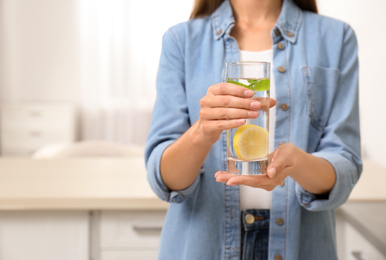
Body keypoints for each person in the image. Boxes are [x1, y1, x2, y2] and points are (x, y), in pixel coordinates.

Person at [145, 0, 362, 259]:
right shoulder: (181, 40)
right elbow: (165, 180)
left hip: (303, 247)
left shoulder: (336, 38)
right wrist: (201, 133)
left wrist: (297, 163)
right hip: (201, 247)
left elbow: (345, 164)